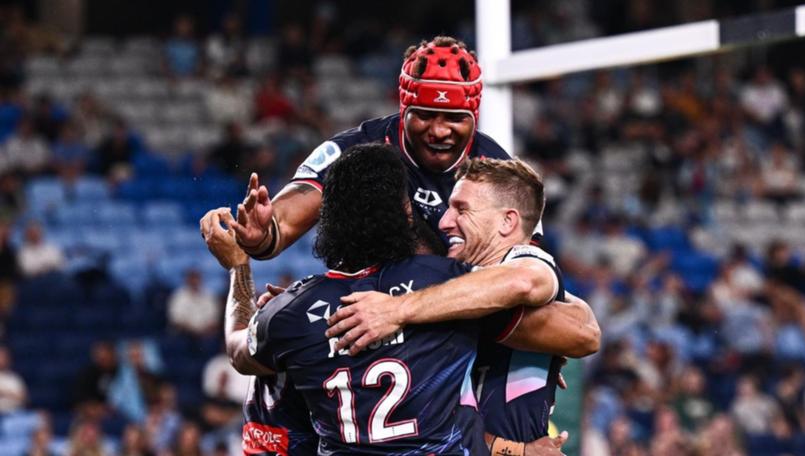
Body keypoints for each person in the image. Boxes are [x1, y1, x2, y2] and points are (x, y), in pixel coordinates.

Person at [201, 144, 566, 455]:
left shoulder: (288, 313)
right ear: (406, 213)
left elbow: (237, 350)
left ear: (326, 218)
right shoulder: (450, 283)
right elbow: (535, 287)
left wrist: (239, 267)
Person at [326, 158, 601, 451]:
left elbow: (524, 281)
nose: (444, 222)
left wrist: (398, 310)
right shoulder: (448, 286)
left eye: (461, 209)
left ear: (508, 221)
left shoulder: (527, 261)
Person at [229, 35, 510, 260]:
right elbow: (288, 216)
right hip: (368, 303)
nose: (438, 131)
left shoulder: (500, 169)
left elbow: (526, 270)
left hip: (465, 312)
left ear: (473, 118)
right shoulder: (358, 148)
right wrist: (263, 234)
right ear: (403, 110)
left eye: (454, 118)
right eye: (424, 115)